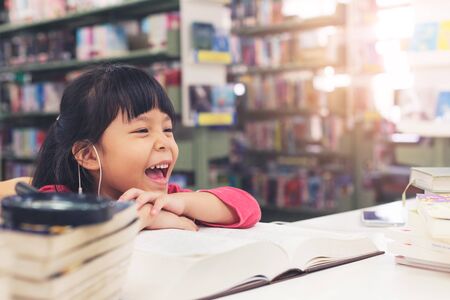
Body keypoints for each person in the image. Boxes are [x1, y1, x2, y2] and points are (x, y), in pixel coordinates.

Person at [32, 64, 261, 231]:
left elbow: (248, 207)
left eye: (168, 129)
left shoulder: (163, 199)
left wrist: (180, 204)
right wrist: (145, 219)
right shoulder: (55, 199)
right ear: (88, 154)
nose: (164, 143)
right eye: (143, 131)